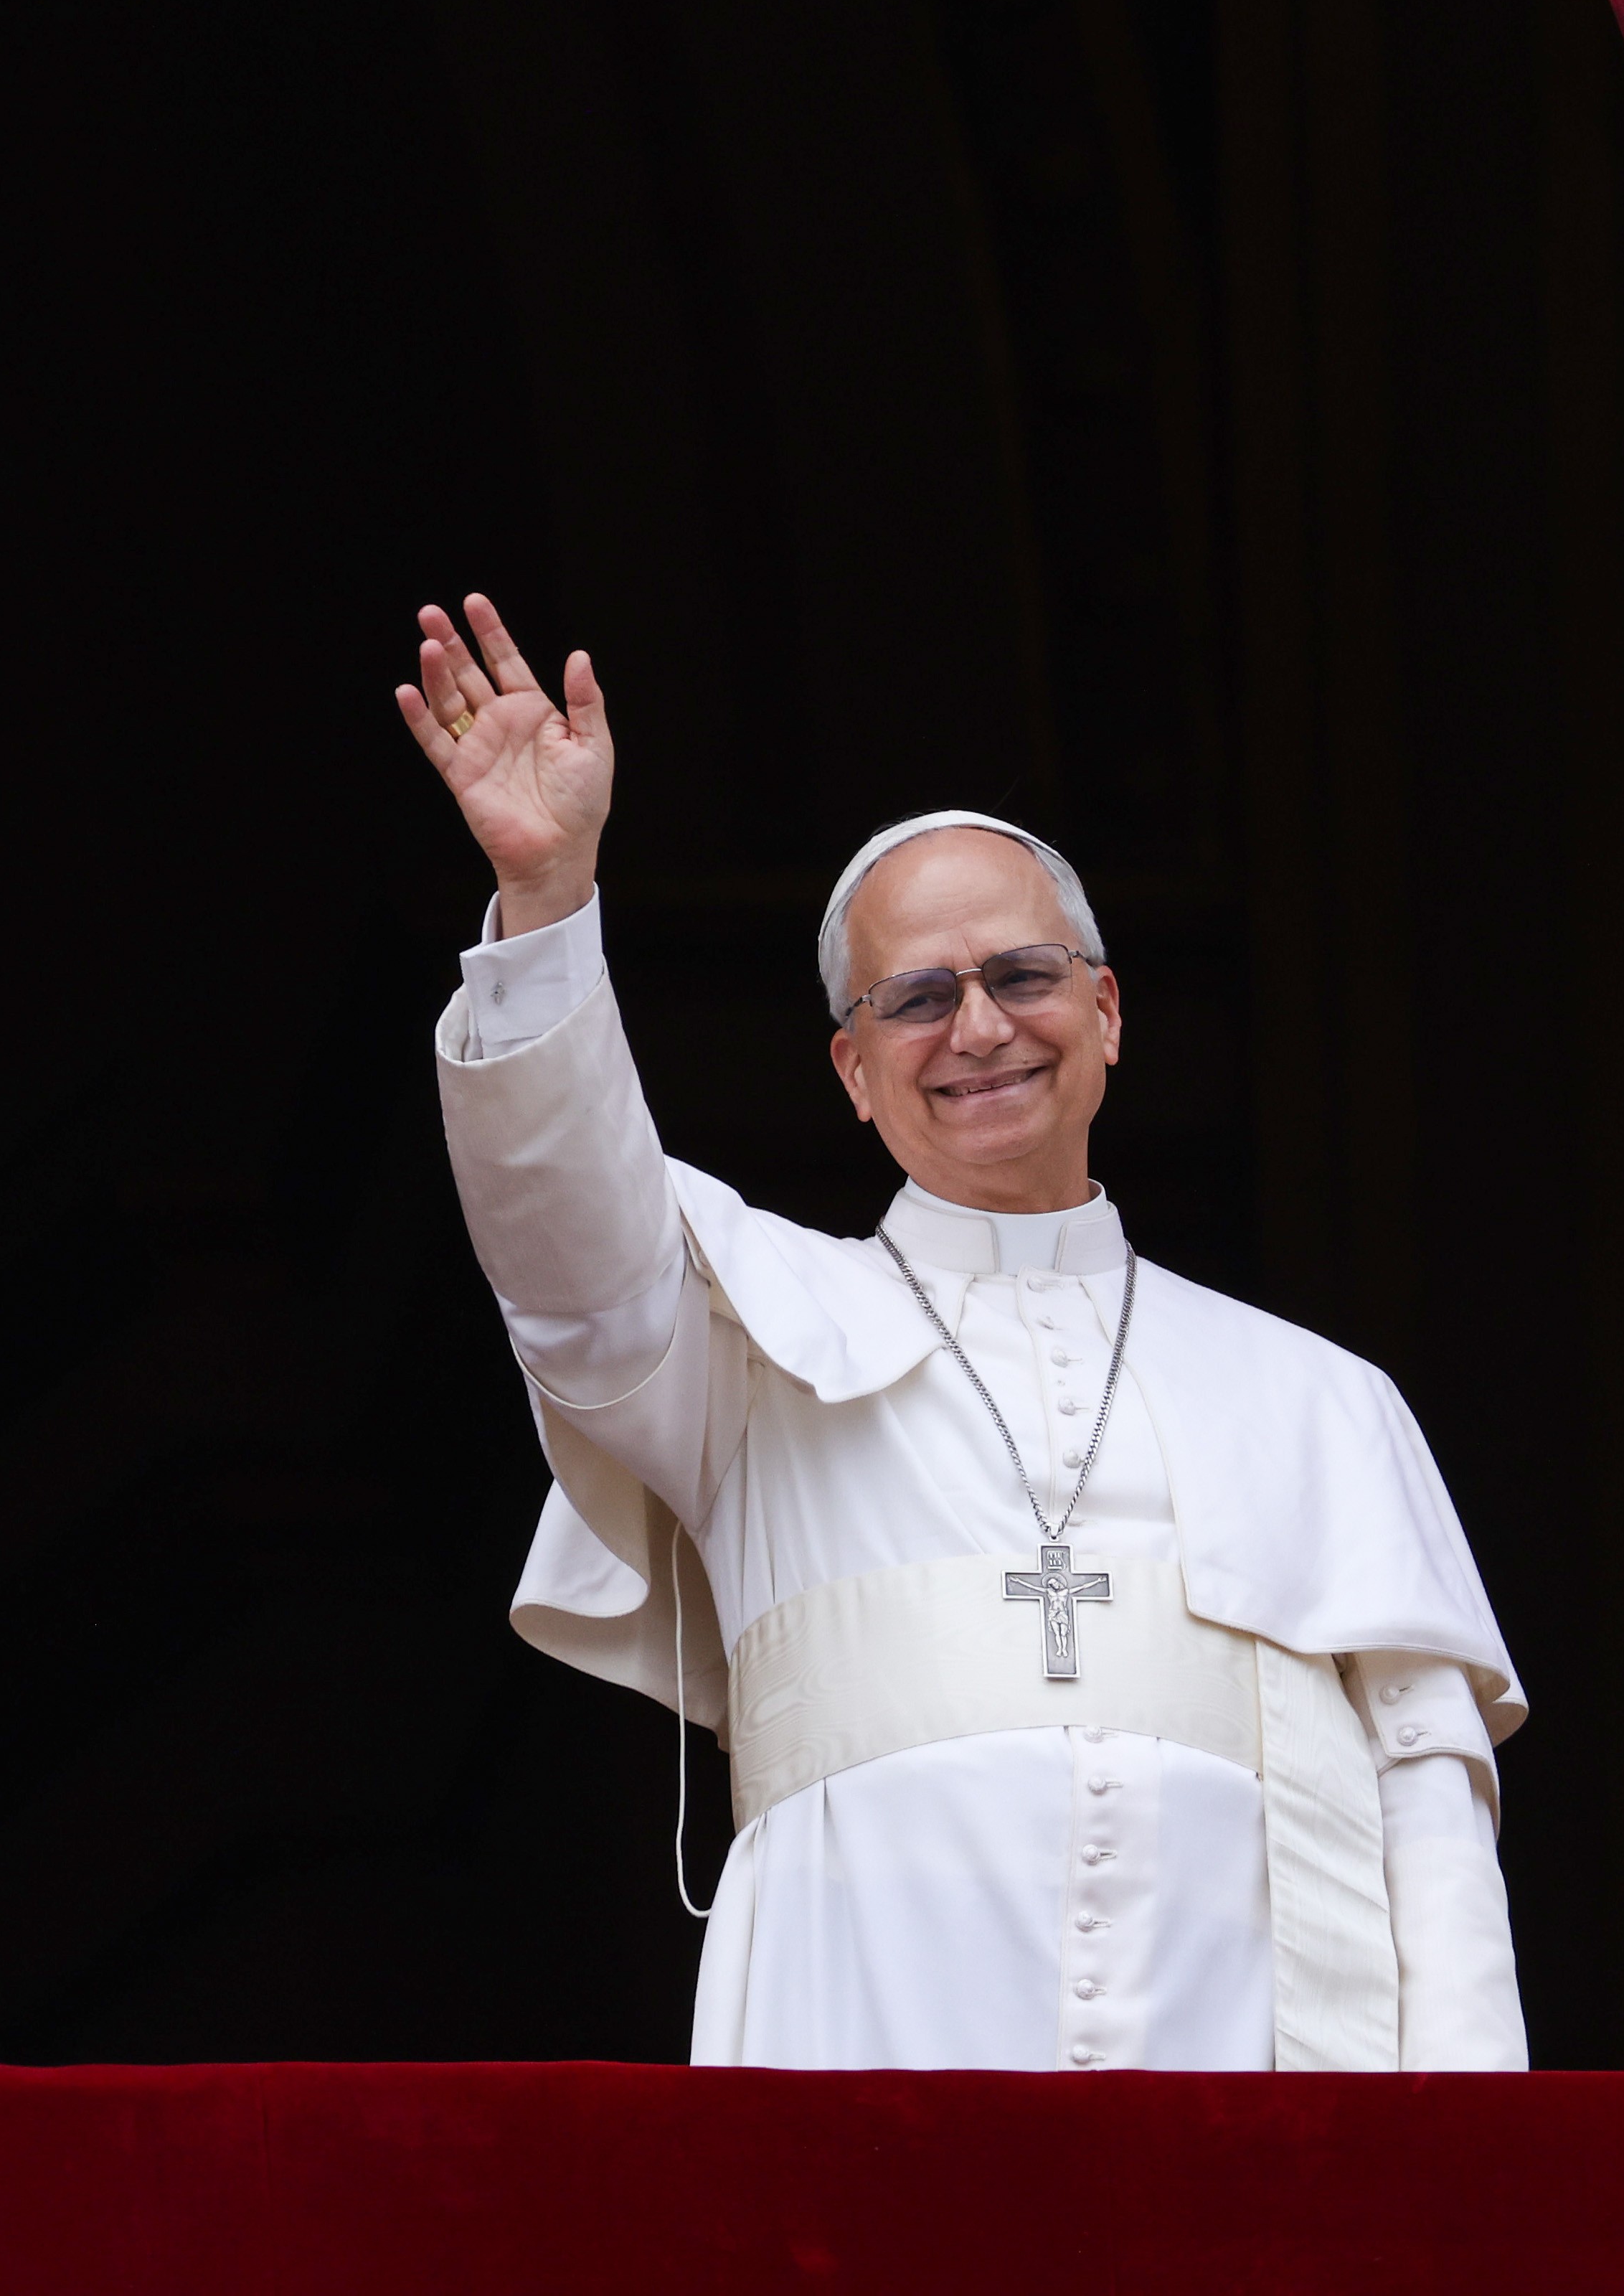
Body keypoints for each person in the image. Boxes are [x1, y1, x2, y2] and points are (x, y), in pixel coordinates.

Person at [397, 593, 1526, 2071]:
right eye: (915, 997)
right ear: (851, 1070)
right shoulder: (736, 1342)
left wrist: (1465, 2205)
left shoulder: (1321, 1402)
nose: (978, 1027)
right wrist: (546, 901)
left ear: (1109, 1011)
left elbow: (1427, 1831)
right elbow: (569, 1256)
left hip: (1250, 2108)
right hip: (857, 2061)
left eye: (1022, 975)